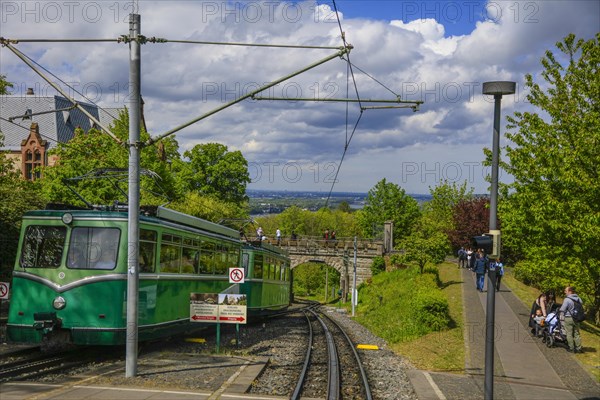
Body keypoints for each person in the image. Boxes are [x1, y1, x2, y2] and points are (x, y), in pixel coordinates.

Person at [560, 286, 583, 353]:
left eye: (565, 291)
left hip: (568, 318)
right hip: (577, 318)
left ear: (570, 291)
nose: (564, 292)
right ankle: (579, 348)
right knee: (577, 333)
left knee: (569, 333)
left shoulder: (567, 299)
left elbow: (562, 309)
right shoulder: (578, 298)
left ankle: (571, 348)